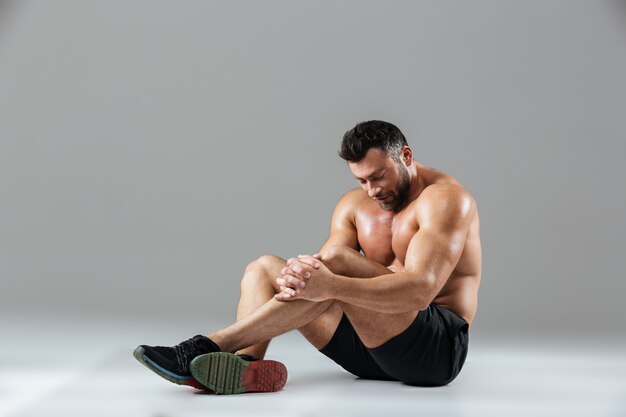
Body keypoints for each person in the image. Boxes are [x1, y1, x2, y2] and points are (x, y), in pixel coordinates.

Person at [134, 120, 481, 394]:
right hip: (369, 349)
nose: (373, 190)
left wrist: (330, 284)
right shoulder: (354, 205)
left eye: (379, 176)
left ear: (406, 156)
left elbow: (421, 291)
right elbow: (320, 271)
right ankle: (243, 367)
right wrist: (301, 279)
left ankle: (212, 345)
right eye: (362, 180)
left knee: (338, 261)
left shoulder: (446, 200)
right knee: (263, 268)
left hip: (433, 352)